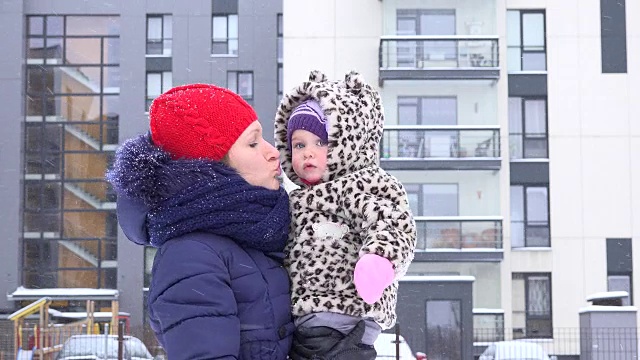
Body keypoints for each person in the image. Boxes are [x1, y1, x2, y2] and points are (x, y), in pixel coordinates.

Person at [106, 84, 294, 360]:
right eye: (253, 143)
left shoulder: (258, 238)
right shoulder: (191, 256)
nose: (273, 152)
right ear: (213, 165)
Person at [274, 70, 417, 360]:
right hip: (303, 320)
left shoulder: (360, 184)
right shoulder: (295, 199)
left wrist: (377, 260)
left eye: (321, 142)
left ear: (347, 142)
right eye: (299, 144)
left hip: (349, 310)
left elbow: (392, 224)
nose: (308, 153)